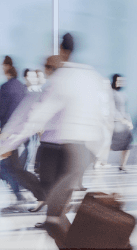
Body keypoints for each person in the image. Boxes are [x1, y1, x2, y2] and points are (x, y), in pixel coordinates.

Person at [0, 34, 115, 247]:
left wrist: (6, 146)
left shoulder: (61, 80)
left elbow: (33, 119)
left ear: (62, 52)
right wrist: (102, 151)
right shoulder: (90, 76)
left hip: (72, 150)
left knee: (54, 218)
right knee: (56, 216)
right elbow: (106, 115)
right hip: (82, 150)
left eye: (48, 65)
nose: (46, 70)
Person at [0, 56, 38, 212]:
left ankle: (21, 195)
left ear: (6, 66)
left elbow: (1, 112)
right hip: (21, 135)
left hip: (8, 135)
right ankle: (23, 194)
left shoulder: (6, 88)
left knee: (7, 168)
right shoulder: (21, 88)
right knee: (14, 168)